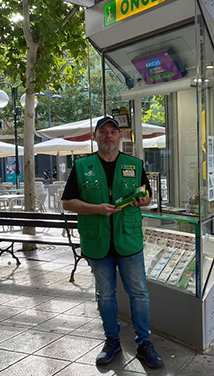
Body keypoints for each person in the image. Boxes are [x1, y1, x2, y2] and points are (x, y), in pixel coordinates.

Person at [62, 117, 163, 369]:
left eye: (113, 132)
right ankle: (112, 340)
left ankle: (144, 343)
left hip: (128, 240)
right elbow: (67, 202)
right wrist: (95, 208)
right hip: (97, 242)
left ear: (120, 137)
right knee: (106, 295)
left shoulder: (134, 164)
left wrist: (144, 200)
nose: (109, 136)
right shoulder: (82, 166)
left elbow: (147, 196)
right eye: (103, 132)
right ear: (95, 136)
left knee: (139, 293)